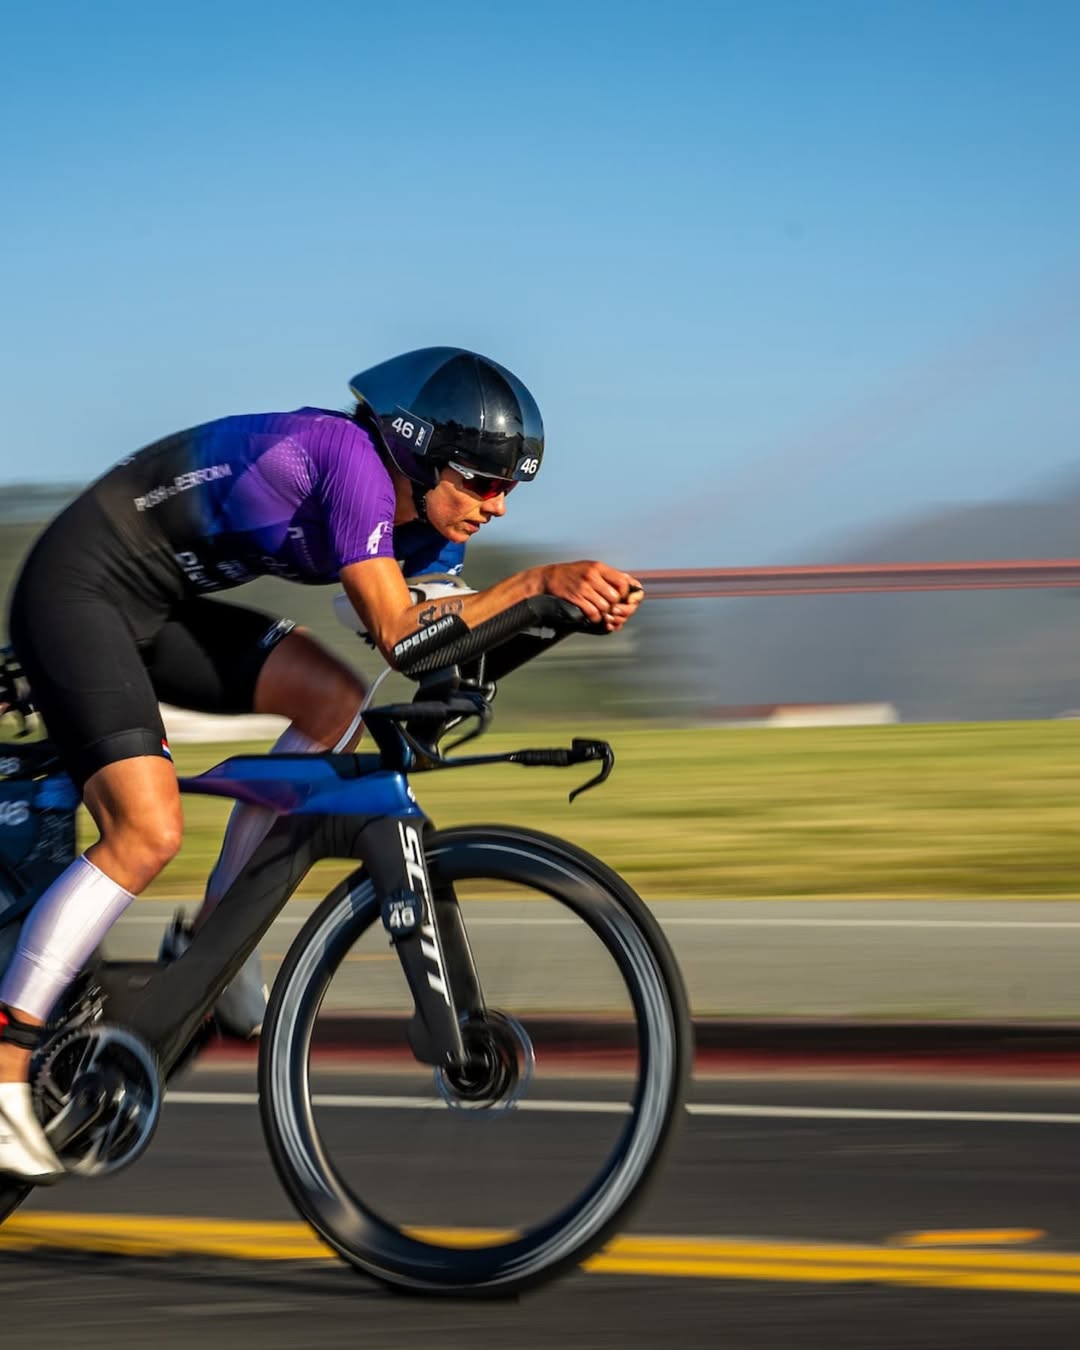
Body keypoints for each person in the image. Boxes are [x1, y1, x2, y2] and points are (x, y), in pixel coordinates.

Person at [0, 346, 643, 1181]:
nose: (498, 505)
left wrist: (558, 616)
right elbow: (400, 635)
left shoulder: (424, 524)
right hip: (79, 588)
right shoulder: (351, 463)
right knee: (147, 830)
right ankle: (6, 1068)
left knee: (333, 702)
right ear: (418, 451)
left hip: (155, 607)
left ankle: (212, 941)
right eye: (483, 483)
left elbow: (448, 645)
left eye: (510, 488)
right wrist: (536, 584)